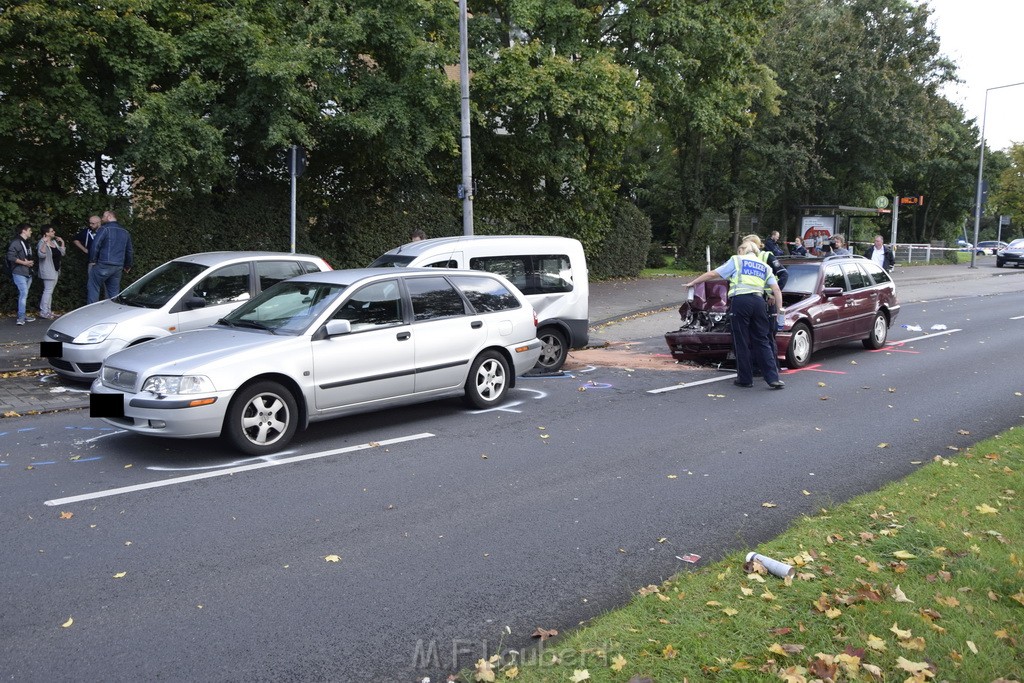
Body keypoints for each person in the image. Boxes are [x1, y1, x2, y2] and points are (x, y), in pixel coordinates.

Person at [684, 241, 785, 389]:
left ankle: (745, 379)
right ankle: (773, 378)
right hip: (759, 302)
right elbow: (776, 290)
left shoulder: (737, 260)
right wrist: (780, 310)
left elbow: (713, 273)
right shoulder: (764, 266)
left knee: (741, 340)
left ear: (743, 250)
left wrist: (693, 283)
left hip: (741, 301)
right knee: (762, 340)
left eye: (740, 249)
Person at [87, 210, 134, 304]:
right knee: (113, 293)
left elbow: (95, 246)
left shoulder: (104, 229)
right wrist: (127, 265)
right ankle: (111, 315)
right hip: (118, 266)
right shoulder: (125, 232)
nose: (102, 218)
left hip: (103, 264)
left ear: (109, 216)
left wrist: (93, 260)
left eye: (104, 216)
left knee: (93, 288)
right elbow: (129, 251)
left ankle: (92, 314)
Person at [7, 223, 36, 325]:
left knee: (24, 294)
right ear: (24, 230)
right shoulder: (16, 242)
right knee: (24, 294)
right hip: (19, 272)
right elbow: (10, 257)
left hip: (27, 272)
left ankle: (22, 315)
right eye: (30, 230)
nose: (31, 232)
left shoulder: (27, 243)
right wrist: (25, 263)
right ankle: (21, 317)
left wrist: (29, 263)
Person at [36, 224, 66, 319]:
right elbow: (41, 255)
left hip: (55, 270)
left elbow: (62, 253)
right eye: (52, 231)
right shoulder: (41, 242)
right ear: (46, 233)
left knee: (50, 292)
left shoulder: (54, 242)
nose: (54, 232)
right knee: (48, 291)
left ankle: (48, 310)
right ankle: (44, 311)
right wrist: (45, 243)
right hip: (48, 271)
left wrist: (62, 243)